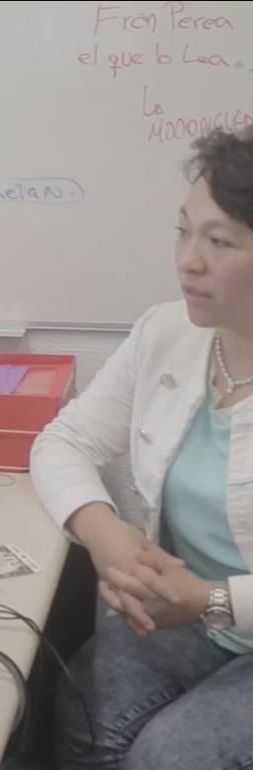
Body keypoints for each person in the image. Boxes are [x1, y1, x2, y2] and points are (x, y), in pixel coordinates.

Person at [30, 126, 253, 769]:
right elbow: (63, 441)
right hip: (201, 622)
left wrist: (209, 600)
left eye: (219, 241)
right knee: (80, 705)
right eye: (184, 230)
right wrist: (105, 535)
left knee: (167, 757)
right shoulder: (167, 332)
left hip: (211, 612)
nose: (189, 259)